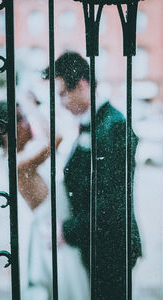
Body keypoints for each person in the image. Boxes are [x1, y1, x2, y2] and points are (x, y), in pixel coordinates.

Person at [43, 51, 142, 300]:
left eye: (63, 93)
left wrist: (68, 230)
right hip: (94, 246)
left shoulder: (113, 126)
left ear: (83, 85)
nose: (61, 102)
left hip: (110, 250)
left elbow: (111, 201)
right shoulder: (93, 124)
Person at [0, 99, 90, 300]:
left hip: (62, 241)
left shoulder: (28, 155)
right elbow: (57, 136)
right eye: (20, 119)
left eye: (25, 117)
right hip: (57, 251)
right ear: (3, 131)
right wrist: (32, 103)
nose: (27, 124)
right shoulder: (19, 163)